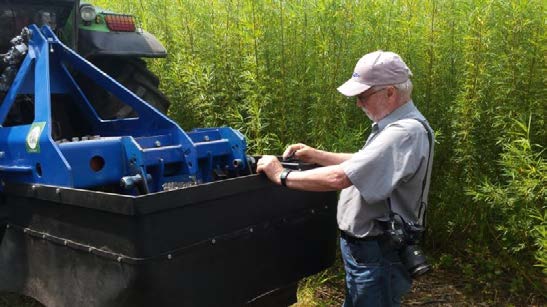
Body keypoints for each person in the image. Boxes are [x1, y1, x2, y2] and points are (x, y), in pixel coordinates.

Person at [256, 50, 434, 307]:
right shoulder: (399, 126)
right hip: (371, 250)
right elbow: (364, 162)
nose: (359, 103)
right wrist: (317, 155)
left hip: (378, 251)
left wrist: (280, 175)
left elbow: (340, 178)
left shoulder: (403, 132)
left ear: (390, 92)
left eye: (363, 96)